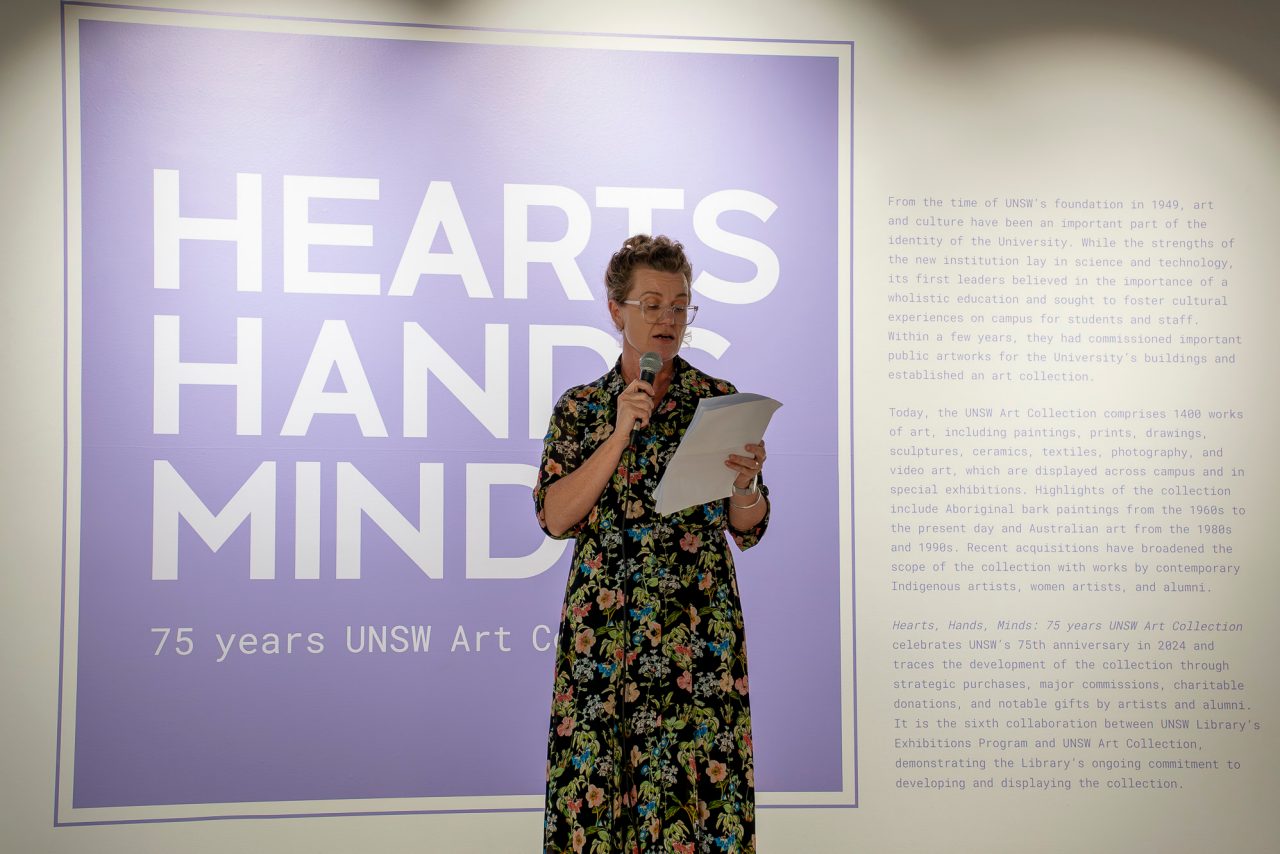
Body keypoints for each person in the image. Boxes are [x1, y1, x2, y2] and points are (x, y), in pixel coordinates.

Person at [534, 234, 769, 853]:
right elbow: (556, 518)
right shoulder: (582, 409)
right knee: (598, 795)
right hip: (605, 636)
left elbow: (747, 524)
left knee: (698, 800)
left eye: (680, 306)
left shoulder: (717, 400)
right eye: (652, 304)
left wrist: (746, 485)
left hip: (697, 633)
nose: (668, 320)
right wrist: (616, 436)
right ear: (617, 311)